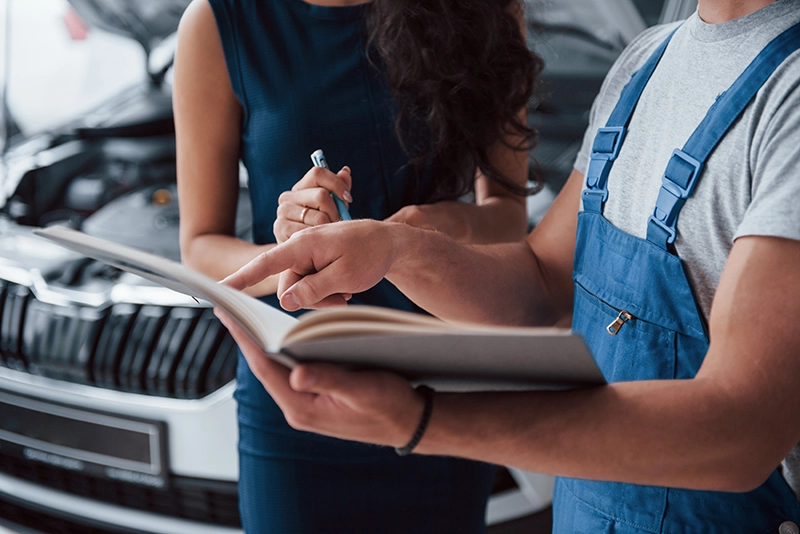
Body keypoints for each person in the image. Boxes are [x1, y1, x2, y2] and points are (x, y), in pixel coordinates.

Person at [219, 0, 800, 531]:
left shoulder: (789, 93)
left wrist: (422, 421)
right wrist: (392, 250)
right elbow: (541, 281)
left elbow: (741, 430)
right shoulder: (646, 63)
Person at [173, 0, 542, 531]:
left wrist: (424, 229)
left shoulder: (487, 6)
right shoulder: (218, 21)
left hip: (445, 389)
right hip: (300, 397)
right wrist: (297, 262)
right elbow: (200, 248)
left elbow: (507, 219)